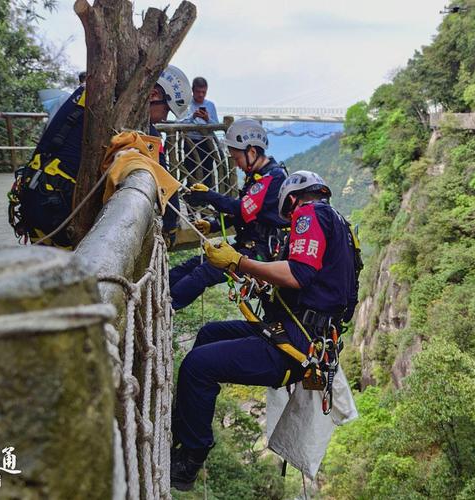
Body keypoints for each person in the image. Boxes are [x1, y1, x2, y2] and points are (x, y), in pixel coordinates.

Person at [169, 171, 361, 491]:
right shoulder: (338, 223)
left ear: (291, 198)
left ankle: (191, 457)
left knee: (197, 365)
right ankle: (184, 430)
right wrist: (243, 268)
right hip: (297, 332)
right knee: (209, 334)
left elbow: (298, 274)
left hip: (294, 341)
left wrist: (240, 263)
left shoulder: (309, 213)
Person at [9, 65, 191, 248]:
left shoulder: (86, 95)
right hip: (60, 210)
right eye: (166, 110)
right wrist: (170, 227)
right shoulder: (129, 119)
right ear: (153, 95)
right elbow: (163, 178)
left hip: (35, 193)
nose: (164, 119)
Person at [168, 119, 288, 310]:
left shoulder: (273, 178)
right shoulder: (257, 177)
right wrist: (213, 225)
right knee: (192, 264)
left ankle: (167, 308)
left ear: (252, 152)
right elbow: (245, 215)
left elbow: (241, 209)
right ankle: (160, 290)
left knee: (203, 273)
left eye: (237, 158)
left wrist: (209, 195)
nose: (237, 164)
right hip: (245, 246)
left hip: (257, 253)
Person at [179, 77, 219, 188]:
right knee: (191, 168)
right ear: (193, 90)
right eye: (198, 92)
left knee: (207, 169)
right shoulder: (187, 104)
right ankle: (192, 196)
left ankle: (207, 196)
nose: (201, 95)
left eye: (204, 92)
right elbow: (179, 122)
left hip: (206, 143)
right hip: (190, 142)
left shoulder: (210, 105)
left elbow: (216, 125)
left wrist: (207, 119)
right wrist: (192, 117)